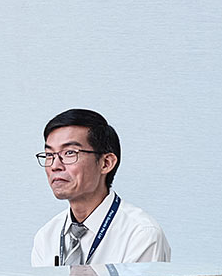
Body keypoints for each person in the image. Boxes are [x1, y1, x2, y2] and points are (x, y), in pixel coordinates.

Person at [31, 107, 171, 265]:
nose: (55, 165)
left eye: (69, 152)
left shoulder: (141, 235)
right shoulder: (47, 237)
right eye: (49, 155)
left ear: (106, 163)